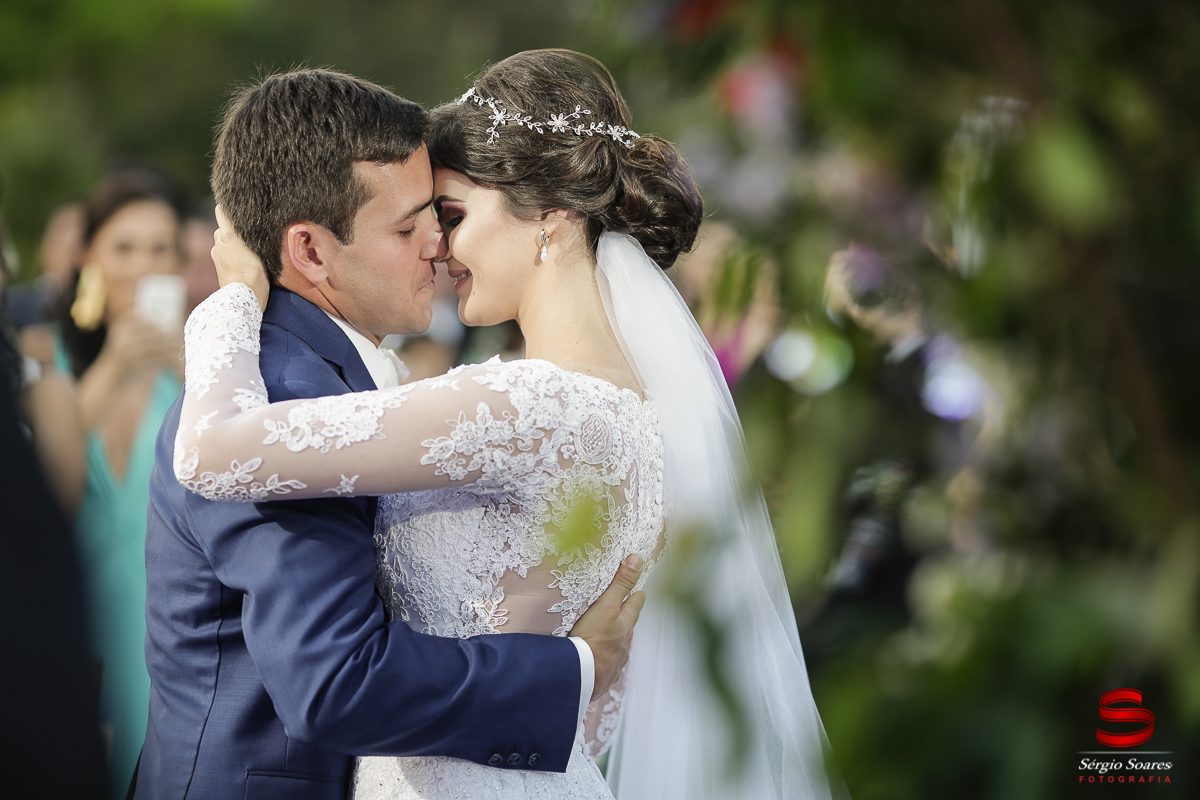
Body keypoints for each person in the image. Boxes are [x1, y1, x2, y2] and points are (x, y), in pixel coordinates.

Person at [173, 51, 838, 800]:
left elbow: (210, 451)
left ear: (551, 216)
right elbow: (596, 713)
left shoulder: (520, 410)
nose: (440, 247)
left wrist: (232, 294)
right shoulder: (638, 414)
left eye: (452, 217)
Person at [133, 68, 643, 800]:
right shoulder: (277, 386)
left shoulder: (349, 380)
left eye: (441, 214)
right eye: (410, 227)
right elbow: (333, 682)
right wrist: (573, 670)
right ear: (311, 251)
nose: (438, 244)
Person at [45, 168, 187, 798]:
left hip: (171, 642)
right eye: (124, 247)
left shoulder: (202, 365)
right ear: (89, 256)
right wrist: (112, 367)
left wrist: (184, 363)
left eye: (159, 248)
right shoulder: (45, 356)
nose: (141, 265)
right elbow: (44, 484)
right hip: (79, 631)